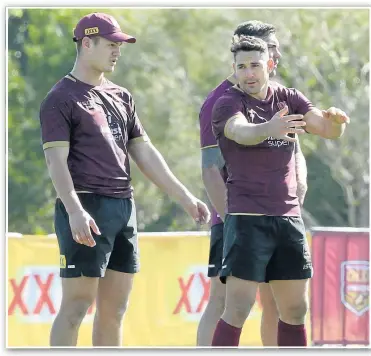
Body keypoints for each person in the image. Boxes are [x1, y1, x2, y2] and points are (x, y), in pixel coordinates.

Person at [39, 12, 210, 347]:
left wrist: (186, 197)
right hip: (86, 206)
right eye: (111, 44)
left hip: (123, 208)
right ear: (87, 44)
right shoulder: (60, 99)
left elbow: (145, 154)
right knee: (75, 307)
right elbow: (55, 161)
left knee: (114, 311)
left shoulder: (122, 96)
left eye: (120, 44)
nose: (117, 51)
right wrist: (74, 210)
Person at [211, 35, 349, 347]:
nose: (248, 73)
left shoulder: (289, 98)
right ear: (233, 69)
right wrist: (268, 129)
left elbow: (325, 128)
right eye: (241, 66)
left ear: (270, 65)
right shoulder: (227, 103)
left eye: (255, 66)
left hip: (288, 218)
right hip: (247, 218)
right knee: (237, 308)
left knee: (296, 309)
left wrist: (337, 122)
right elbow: (238, 132)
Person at [197, 21, 307, 347]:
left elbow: (294, 148)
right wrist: (232, 220)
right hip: (236, 217)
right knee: (224, 301)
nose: (277, 52)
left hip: (278, 215)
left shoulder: (277, 94)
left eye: (274, 48)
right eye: (270, 45)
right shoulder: (219, 100)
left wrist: (297, 190)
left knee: (279, 303)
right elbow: (210, 168)